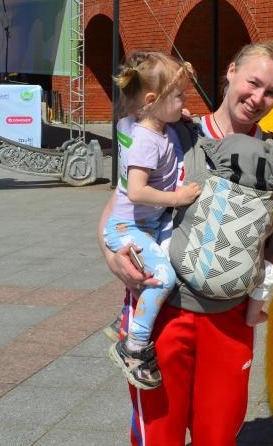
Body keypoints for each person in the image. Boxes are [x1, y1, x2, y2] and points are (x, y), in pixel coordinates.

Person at [99, 41, 273, 445]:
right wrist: (114, 260)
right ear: (231, 71)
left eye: (272, 91)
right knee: (159, 436)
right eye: (253, 82)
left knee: (218, 436)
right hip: (165, 312)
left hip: (230, 321)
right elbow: (116, 210)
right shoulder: (175, 132)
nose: (258, 98)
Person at [102, 51, 202, 390]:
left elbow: (133, 114)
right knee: (162, 277)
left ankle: (124, 318)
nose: (185, 102)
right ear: (150, 101)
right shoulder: (146, 141)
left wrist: (176, 106)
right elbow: (137, 191)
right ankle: (133, 347)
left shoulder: (148, 124)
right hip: (128, 227)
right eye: (179, 96)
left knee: (168, 261)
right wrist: (178, 198)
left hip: (148, 225)